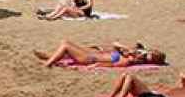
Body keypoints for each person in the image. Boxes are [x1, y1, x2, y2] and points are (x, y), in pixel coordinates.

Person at [34, 41, 165, 68]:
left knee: (66, 45)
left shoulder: (127, 61)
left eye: (147, 56)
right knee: (66, 46)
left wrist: (97, 65)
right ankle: (49, 57)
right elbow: (115, 43)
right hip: (91, 53)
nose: (141, 54)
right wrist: (128, 50)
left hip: (89, 58)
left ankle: (47, 63)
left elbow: (112, 65)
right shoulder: (129, 54)